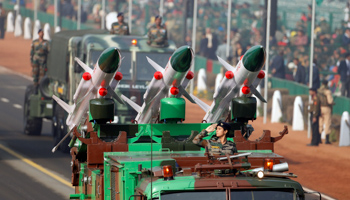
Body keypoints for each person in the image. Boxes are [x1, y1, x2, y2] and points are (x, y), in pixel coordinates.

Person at [30, 29, 50, 93]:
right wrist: (31, 61)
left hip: (43, 61)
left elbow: (48, 52)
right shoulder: (35, 42)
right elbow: (32, 52)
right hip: (35, 61)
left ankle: (41, 89)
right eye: (40, 33)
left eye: (42, 33)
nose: (41, 34)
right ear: (38, 34)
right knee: (35, 74)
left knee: (42, 76)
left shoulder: (46, 43)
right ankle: (35, 88)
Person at [318, 80, 334, 144]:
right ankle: (327, 140)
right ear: (327, 84)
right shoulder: (328, 91)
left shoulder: (318, 91)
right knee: (327, 123)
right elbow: (330, 101)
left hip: (319, 108)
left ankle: (319, 138)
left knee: (320, 123)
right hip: (326, 108)